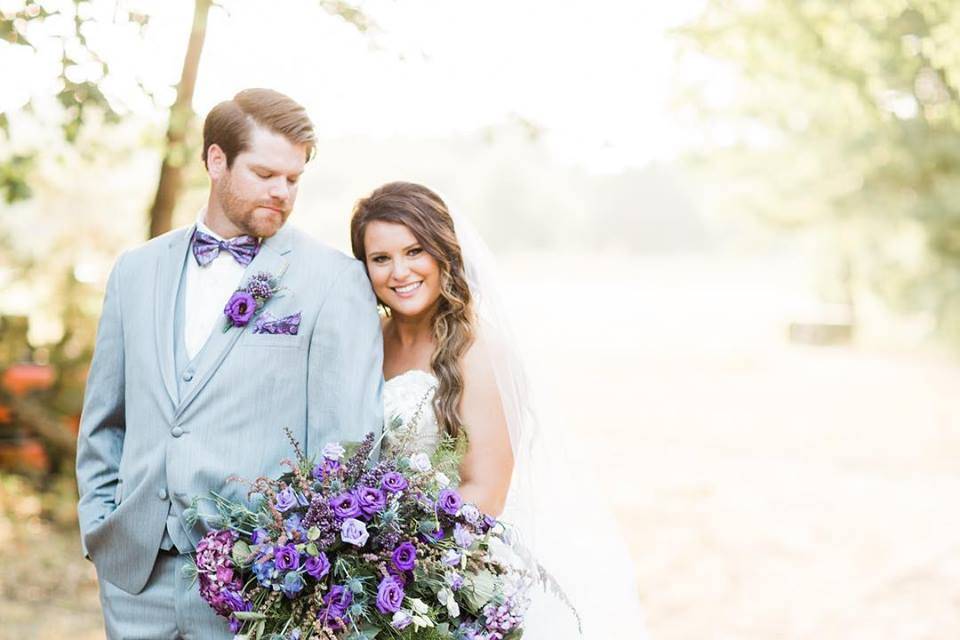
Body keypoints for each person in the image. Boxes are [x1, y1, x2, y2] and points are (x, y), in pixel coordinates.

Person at [75, 88, 384, 639]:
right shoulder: (135, 272)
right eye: (266, 173)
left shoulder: (335, 282)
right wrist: (100, 525)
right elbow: (105, 419)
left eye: (293, 179)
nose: (282, 192)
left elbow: (348, 446)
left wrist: (302, 570)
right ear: (216, 160)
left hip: (258, 590)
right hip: (134, 580)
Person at [350, 181, 649, 639]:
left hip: (446, 567)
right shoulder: (368, 340)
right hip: (367, 572)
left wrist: (394, 554)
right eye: (381, 259)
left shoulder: (480, 350)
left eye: (415, 251)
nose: (400, 271)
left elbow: (485, 492)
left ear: (443, 252)